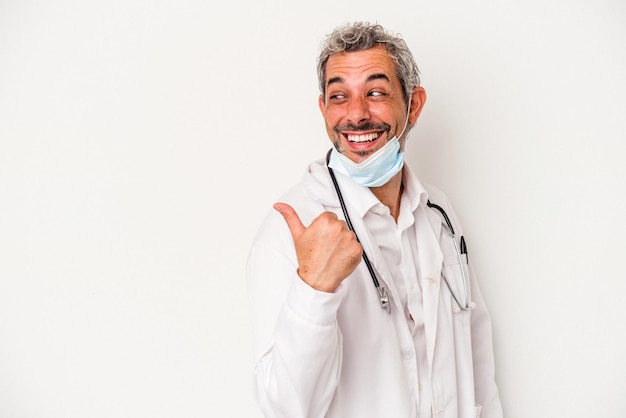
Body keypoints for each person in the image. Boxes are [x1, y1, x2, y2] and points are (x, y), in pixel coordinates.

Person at [246, 22, 502, 418]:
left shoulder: (439, 213)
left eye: (376, 93)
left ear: (413, 105)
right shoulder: (290, 229)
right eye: (339, 96)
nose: (356, 114)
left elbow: (477, 356)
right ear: (323, 109)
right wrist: (315, 288)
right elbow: (287, 408)